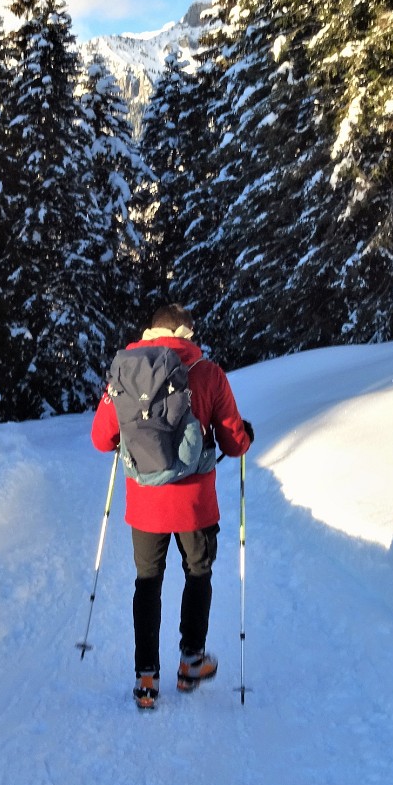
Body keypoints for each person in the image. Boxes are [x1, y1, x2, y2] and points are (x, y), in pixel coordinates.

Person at [90, 303, 253, 709]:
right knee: (197, 572)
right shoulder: (208, 373)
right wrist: (245, 436)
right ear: (185, 332)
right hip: (195, 502)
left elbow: (100, 439)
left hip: (145, 502)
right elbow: (234, 442)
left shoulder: (124, 373)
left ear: (150, 332)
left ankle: (146, 677)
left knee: (148, 580)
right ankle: (191, 661)